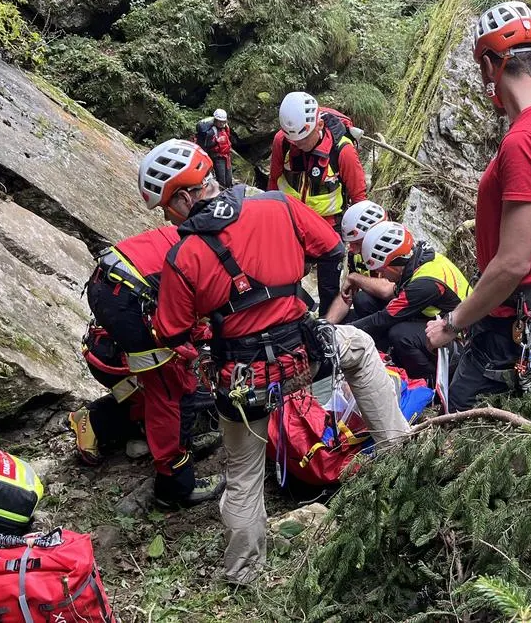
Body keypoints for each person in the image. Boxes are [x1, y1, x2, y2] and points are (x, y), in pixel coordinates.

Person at [147, 139, 411, 585]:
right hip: (304, 355)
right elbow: (330, 250)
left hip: (244, 380)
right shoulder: (277, 206)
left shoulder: (183, 257)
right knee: (361, 347)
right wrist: (322, 307)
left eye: (166, 207)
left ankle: (243, 572)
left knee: (244, 476)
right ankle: (400, 454)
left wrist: (209, 338)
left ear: (183, 197)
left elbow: (172, 333)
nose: (168, 218)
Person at [425, 1, 531, 412]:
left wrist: (452, 322)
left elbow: (513, 263)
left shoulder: (525, 141)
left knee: (460, 413)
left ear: (490, 66)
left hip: (507, 325)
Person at [72, 218, 223, 507]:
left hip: (114, 299)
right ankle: (176, 486)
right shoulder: (221, 256)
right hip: (123, 326)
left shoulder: (206, 232)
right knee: (174, 391)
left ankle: (99, 421)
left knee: (169, 387)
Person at [269, 92, 368, 316]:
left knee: (328, 287)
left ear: (319, 125)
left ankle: (326, 327)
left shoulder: (343, 151)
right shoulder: (283, 142)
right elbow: (274, 183)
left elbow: (359, 198)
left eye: (303, 141)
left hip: (328, 226)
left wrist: (358, 245)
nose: (299, 146)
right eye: (294, 141)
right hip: (291, 223)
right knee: (280, 278)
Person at [350, 222, 471, 383]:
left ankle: (429, 381)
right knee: (364, 300)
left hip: (458, 337)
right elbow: (389, 297)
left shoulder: (424, 284)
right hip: (438, 319)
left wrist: (343, 332)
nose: (380, 274)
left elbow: (384, 318)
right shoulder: (417, 257)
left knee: (400, 334)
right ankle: (391, 356)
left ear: (394, 265)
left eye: (381, 269)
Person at [324, 200, 393, 324]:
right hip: (377, 309)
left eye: (357, 243)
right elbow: (346, 296)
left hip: (403, 314)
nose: (352, 249)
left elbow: (388, 290)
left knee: (362, 299)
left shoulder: (395, 248)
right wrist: (327, 325)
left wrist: (355, 278)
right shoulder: (356, 255)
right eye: (350, 243)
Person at [196, 108, 235, 188]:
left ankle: (228, 193)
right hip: (217, 157)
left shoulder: (225, 128)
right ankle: (221, 195)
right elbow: (207, 146)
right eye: (219, 121)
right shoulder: (211, 131)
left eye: (223, 121)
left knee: (229, 179)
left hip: (226, 156)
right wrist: (216, 141)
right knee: (221, 181)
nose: (221, 123)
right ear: (215, 120)